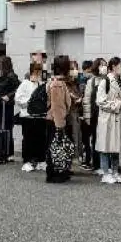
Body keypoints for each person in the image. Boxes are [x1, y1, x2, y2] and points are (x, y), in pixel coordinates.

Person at [95, 57, 121, 185]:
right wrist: (118, 104)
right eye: (120, 65)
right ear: (114, 66)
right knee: (105, 146)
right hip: (107, 118)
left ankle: (115, 171)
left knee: (115, 146)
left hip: (117, 119)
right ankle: (106, 173)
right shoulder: (105, 81)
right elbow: (100, 101)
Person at [45, 55, 76, 184]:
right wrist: (60, 125)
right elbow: (57, 106)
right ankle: (56, 173)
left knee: (55, 146)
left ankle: (57, 171)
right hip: (56, 120)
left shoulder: (55, 82)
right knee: (56, 146)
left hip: (53, 119)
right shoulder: (58, 84)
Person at [15, 62, 46, 172]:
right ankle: (27, 161)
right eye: (36, 72)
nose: (37, 74)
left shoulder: (41, 83)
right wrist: (28, 102)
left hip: (40, 116)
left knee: (40, 139)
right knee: (28, 139)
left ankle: (40, 160)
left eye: (39, 72)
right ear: (31, 72)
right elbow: (17, 98)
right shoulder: (25, 84)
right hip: (27, 116)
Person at [0, 55, 20, 161]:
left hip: (6, 106)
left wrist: (9, 96)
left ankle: (8, 152)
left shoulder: (11, 76)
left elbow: (18, 88)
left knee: (6, 127)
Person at [80, 59, 105, 173]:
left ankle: (106, 165)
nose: (103, 67)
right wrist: (87, 116)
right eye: (101, 65)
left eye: (105, 65)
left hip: (106, 115)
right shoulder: (92, 81)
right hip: (95, 114)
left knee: (104, 140)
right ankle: (96, 164)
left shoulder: (108, 80)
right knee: (95, 139)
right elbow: (87, 100)